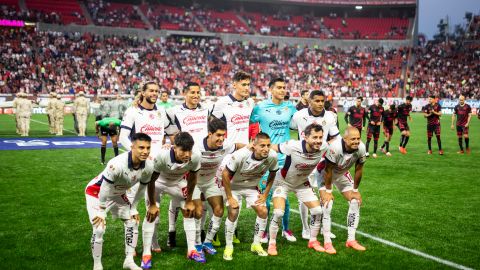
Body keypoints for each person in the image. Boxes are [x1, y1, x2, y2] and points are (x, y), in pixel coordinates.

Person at [85, 133, 154, 270]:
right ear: (132, 147)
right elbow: (104, 188)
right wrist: (101, 210)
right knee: (99, 229)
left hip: (118, 193)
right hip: (96, 193)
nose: (145, 151)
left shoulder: (149, 166)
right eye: (141, 147)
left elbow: (142, 188)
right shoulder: (116, 164)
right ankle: (97, 266)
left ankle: (128, 261)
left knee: (133, 221)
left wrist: (133, 207)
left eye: (148, 148)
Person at [267, 124, 332, 256]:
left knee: (317, 210)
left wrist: (326, 189)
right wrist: (253, 147)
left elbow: (329, 162)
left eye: (320, 137)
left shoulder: (324, 146)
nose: (318, 140)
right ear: (305, 137)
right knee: (279, 212)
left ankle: (313, 241)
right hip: (283, 182)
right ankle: (272, 243)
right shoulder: (293, 146)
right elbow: (272, 147)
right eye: (315, 137)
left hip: (302, 182)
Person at [142, 132, 204, 267]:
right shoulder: (161, 155)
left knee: (189, 211)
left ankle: (191, 250)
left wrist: (189, 200)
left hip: (177, 183)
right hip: (158, 182)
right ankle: (147, 253)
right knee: (152, 215)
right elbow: (151, 181)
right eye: (183, 150)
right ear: (174, 147)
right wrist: (152, 204)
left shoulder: (196, 155)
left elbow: (193, 178)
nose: (187, 154)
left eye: (189, 150)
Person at [210, 71, 255, 246]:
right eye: (243, 84)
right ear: (234, 84)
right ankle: (213, 232)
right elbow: (213, 125)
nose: (247, 88)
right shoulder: (222, 103)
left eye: (248, 84)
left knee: (237, 194)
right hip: (226, 154)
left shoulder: (250, 103)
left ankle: (233, 229)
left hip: (244, 154)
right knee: (221, 194)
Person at [250, 77, 298, 242]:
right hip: (266, 157)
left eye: (284, 87)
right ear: (270, 89)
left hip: (285, 158)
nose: (282, 90)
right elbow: (248, 124)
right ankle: (263, 232)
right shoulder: (260, 107)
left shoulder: (290, 107)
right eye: (278, 87)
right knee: (266, 196)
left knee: (283, 195)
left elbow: (299, 124)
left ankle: (286, 229)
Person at [290, 90, 340, 239]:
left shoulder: (330, 116)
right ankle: (306, 229)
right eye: (316, 101)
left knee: (325, 194)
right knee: (304, 197)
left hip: (322, 161)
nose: (320, 103)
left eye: (322, 101)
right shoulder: (299, 115)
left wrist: (326, 144)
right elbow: (290, 127)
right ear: (309, 101)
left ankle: (325, 228)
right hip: (303, 161)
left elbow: (337, 137)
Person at [221, 132, 278, 261]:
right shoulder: (240, 155)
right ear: (254, 145)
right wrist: (230, 197)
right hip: (234, 187)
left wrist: (265, 195)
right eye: (262, 145)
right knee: (233, 212)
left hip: (251, 188)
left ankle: (256, 244)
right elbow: (225, 174)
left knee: (263, 211)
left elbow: (272, 174)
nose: (266, 149)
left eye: (268, 145)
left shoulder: (272, 156)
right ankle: (229, 246)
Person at [194, 118, 247, 256]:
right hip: (194, 182)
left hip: (210, 181)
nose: (221, 138)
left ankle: (207, 242)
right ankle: (197, 243)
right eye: (218, 135)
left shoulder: (226, 145)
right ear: (209, 133)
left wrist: (251, 146)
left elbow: (238, 145)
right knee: (198, 211)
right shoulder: (196, 146)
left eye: (223, 135)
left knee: (219, 210)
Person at [317, 126, 367, 252]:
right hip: (323, 174)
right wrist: (328, 192)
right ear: (345, 139)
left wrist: (355, 191)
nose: (356, 141)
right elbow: (328, 171)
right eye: (353, 139)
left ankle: (351, 239)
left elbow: (359, 169)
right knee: (328, 204)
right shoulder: (335, 147)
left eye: (358, 138)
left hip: (341, 173)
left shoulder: (361, 147)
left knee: (355, 202)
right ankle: (327, 242)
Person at [119, 82, 169, 157]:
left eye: (156, 91)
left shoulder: (161, 111)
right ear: (143, 93)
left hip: (159, 159)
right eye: (151, 91)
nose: (154, 93)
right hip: (141, 159)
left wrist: (170, 145)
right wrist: (137, 152)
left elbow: (170, 132)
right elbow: (123, 138)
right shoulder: (132, 111)